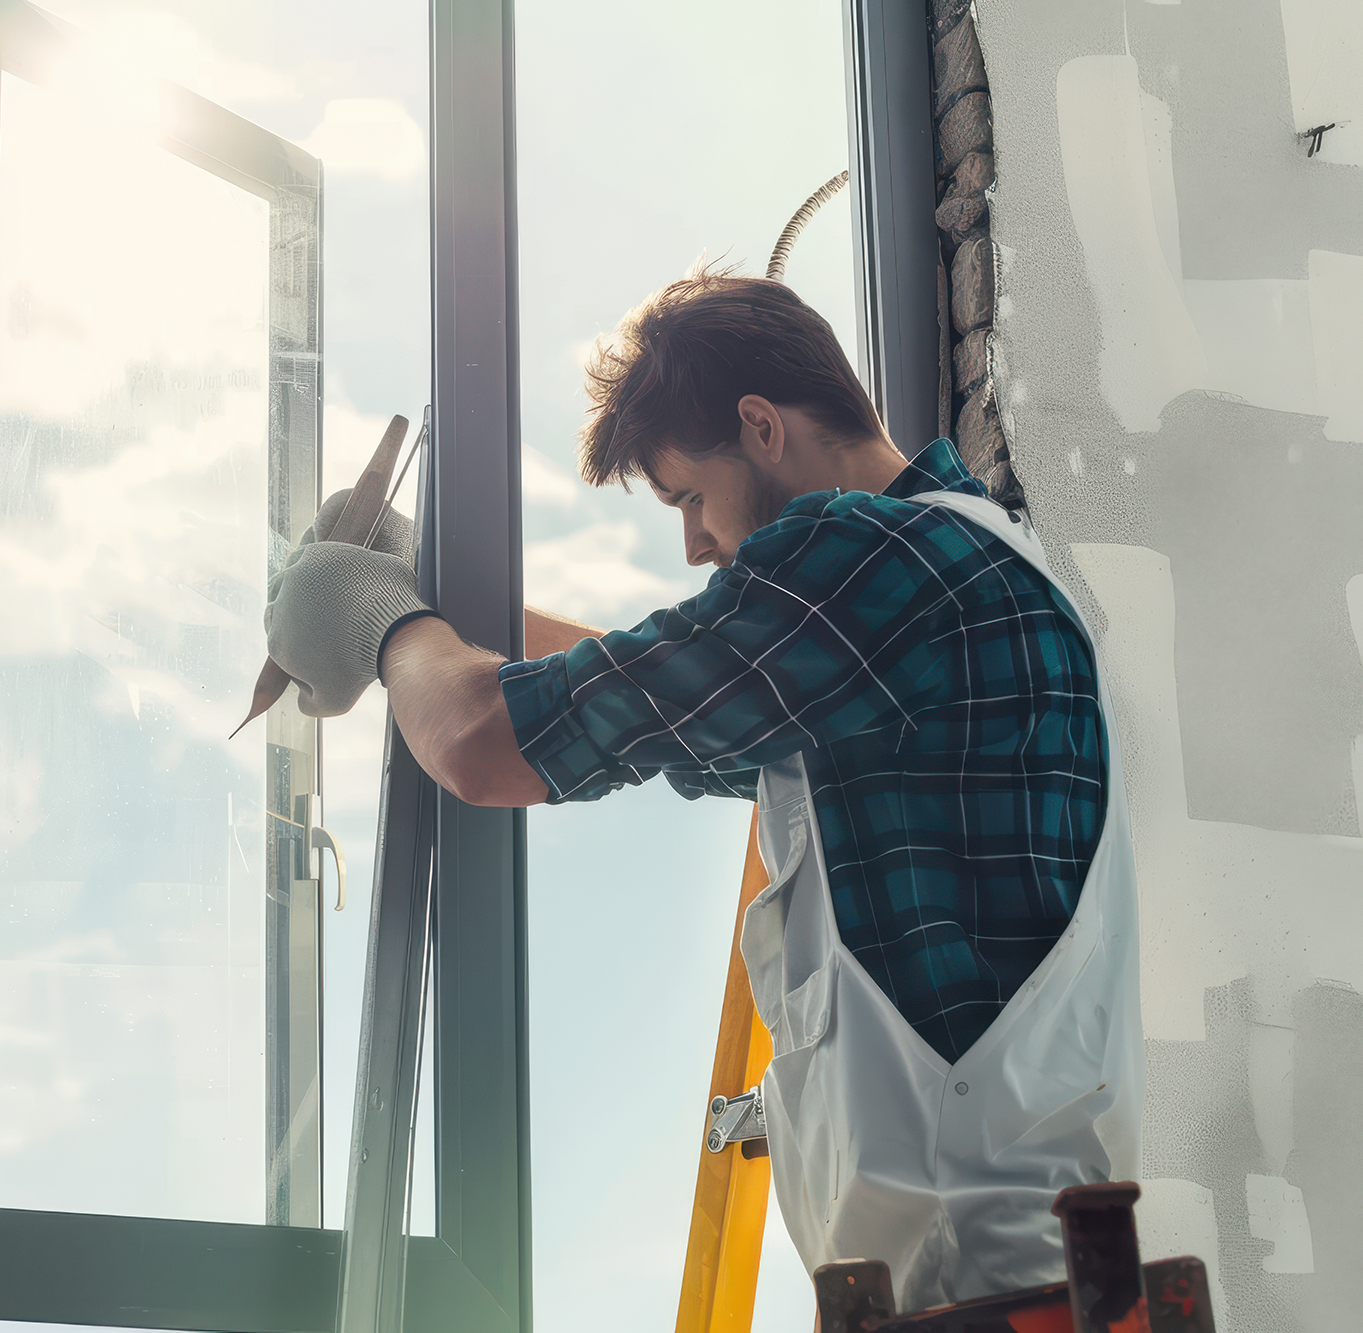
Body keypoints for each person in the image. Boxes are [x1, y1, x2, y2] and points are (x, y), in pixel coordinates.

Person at [263, 265, 1143, 1311]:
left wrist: (378, 617)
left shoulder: (870, 560)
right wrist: (436, 604)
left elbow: (478, 743)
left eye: (688, 497)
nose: (692, 545)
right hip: (1002, 1273)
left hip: (981, 1283)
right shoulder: (954, 569)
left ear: (760, 426)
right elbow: (652, 693)